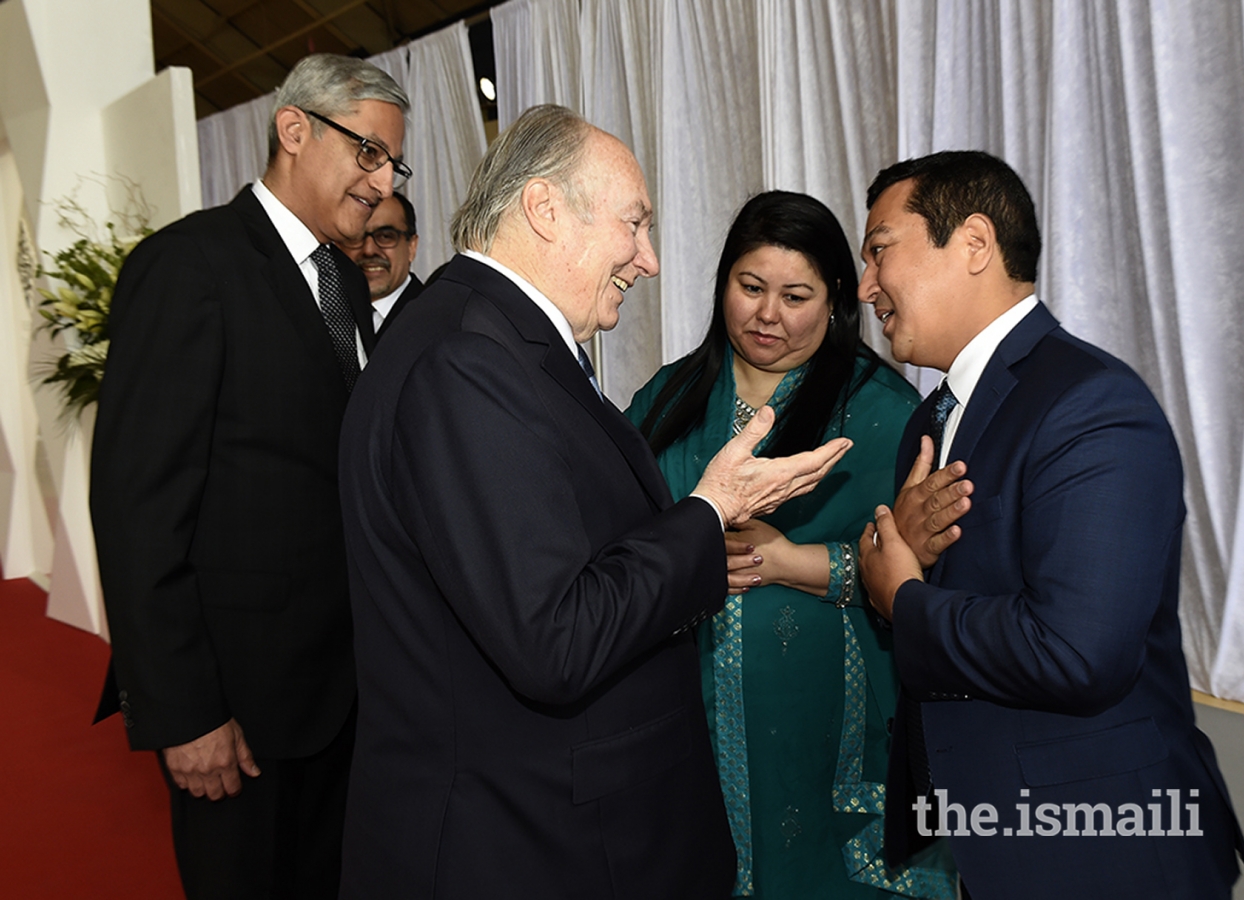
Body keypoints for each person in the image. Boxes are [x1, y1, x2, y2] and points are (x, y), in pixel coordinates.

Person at [336, 105, 852, 899]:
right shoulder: (467, 360)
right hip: (531, 839)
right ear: (544, 209)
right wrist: (708, 511)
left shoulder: (499, 339)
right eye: (634, 224)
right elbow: (556, 638)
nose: (647, 259)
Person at [854, 150, 1244, 899]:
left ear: (974, 243)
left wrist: (902, 598)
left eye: (880, 250)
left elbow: (1077, 652)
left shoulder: (1092, 405)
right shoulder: (927, 424)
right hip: (990, 843)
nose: (867, 285)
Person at [89, 54, 409, 899]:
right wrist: (184, 711)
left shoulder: (342, 279)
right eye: (368, 153)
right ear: (294, 130)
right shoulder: (189, 267)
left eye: (393, 163)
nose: (381, 182)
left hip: (345, 702)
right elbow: (137, 511)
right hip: (237, 715)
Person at [626, 191, 954, 899]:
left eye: (795, 295)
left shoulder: (884, 414)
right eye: (749, 288)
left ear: (837, 300)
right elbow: (617, 550)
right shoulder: (665, 400)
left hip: (831, 741)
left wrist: (792, 562)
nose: (767, 314)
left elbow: (928, 578)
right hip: (689, 732)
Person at [339, 189, 423, 332]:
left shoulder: (437, 319)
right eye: (355, 237)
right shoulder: (324, 312)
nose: (369, 250)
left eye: (385, 236)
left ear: (411, 247)